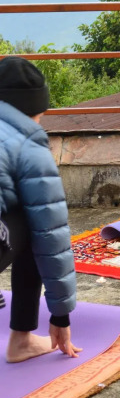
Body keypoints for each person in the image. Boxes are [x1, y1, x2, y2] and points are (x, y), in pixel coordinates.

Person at [0, 56, 81, 363]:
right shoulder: (28, 145)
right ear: (37, 109)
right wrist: (60, 316)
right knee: (33, 219)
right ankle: (21, 341)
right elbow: (51, 235)